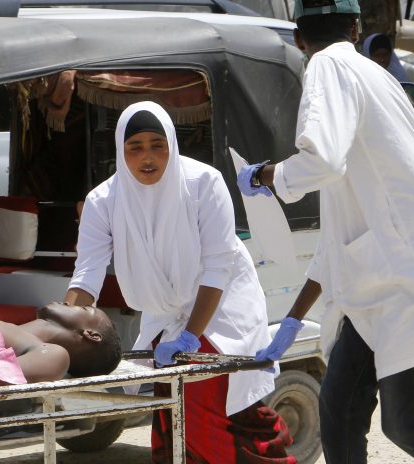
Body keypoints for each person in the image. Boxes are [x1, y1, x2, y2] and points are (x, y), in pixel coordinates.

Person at [237, 1, 414, 463]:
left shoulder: (327, 66)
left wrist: (267, 176)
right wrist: (296, 318)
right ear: (358, 28)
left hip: (405, 285)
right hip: (377, 289)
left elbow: (321, 160)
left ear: (298, 39)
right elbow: (342, 238)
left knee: (410, 424)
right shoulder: (377, 77)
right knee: (338, 413)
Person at [64, 101, 294, 463]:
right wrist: (62, 330)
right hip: (163, 315)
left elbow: (219, 268)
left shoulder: (203, 182)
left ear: (172, 142)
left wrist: (190, 337)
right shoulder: (102, 200)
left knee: (210, 407)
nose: (148, 156)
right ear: (120, 150)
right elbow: (87, 275)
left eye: (158, 144)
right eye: (135, 147)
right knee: (175, 416)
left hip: (220, 310)